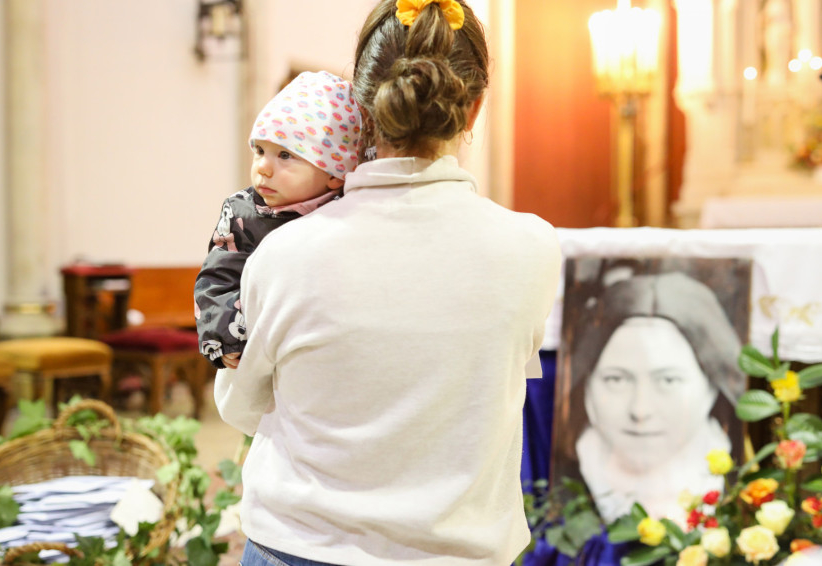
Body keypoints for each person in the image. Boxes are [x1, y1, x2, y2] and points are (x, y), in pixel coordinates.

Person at [212, 0, 562, 564]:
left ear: (363, 107)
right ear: (474, 109)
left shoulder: (285, 252)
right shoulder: (533, 246)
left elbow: (242, 407)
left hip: (299, 547)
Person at [194, 71, 361, 369]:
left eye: (285, 155)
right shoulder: (242, 213)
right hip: (255, 348)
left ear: (335, 174)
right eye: (259, 151)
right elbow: (217, 278)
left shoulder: (349, 213)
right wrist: (225, 336)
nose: (263, 167)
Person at [557, 268, 746, 526]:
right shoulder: (557, 493)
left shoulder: (743, 489)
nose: (640, 410)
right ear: (588, 386)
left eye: (668, 381)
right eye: (616, 380)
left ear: (711, 388)